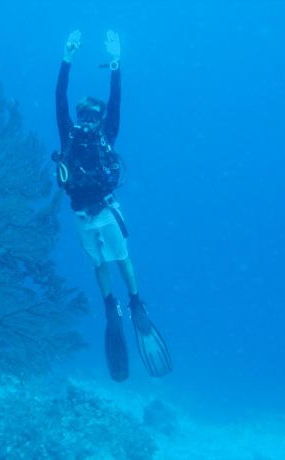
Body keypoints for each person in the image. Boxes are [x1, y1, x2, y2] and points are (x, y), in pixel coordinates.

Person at [54, 30, 172, 381]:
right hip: (82, 213)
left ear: (100, 117)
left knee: (118, 258)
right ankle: (112, 306)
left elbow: (115, 99)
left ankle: (133, 301)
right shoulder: (69, 134)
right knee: (102, 262)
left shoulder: (107, 133)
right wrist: (67, 58)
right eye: (83, 113)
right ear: (78, 115)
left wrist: (116, 63)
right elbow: (59, 97)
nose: (88, 119)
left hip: (104, 210)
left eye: (93, 114)